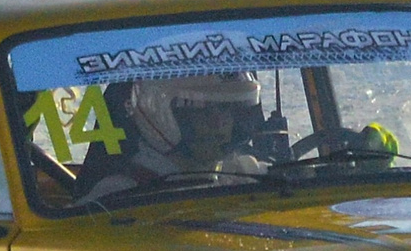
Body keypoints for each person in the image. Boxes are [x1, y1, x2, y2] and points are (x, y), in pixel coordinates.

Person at [74, 72, 269, 201]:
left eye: (228, 109)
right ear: (159, 112)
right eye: (202, 110)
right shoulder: (116, 196)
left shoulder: (246, 175)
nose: (219, 124)